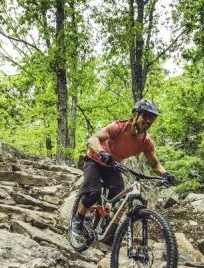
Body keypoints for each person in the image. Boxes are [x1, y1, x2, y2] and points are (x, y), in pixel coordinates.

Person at [71, 99, 177, 241]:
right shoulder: (119, 127)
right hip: (95, 161)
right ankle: (78, 219)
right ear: (135, 115)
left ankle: (106, 225)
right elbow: (93, 139)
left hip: (112, 166)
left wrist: (166, 174)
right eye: (145, 116)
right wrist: (102, 152)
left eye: (152, 118)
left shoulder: (146, 141)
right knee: (93, 193)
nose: (148, 121)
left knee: (119, 197)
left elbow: (155, 164)